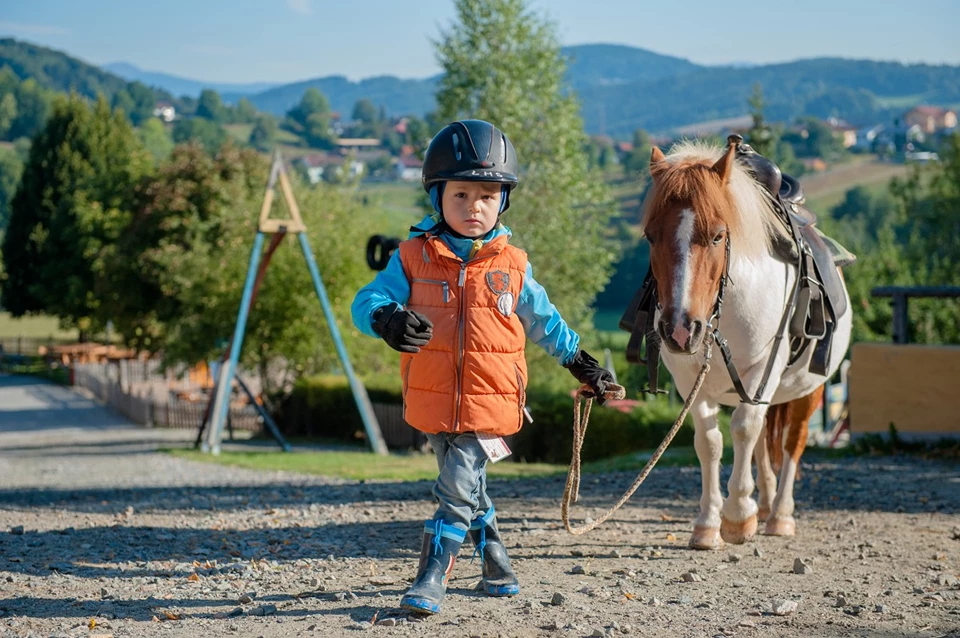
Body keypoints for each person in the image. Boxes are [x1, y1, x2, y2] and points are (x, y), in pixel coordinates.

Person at [351, 119, 614, 614]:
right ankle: (495, 559)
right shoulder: (411, 257)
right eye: (461, 195)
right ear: (438, 197)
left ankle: (432, 573)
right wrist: (386, 318)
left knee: (455, 486)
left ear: (503, 201)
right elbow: (368, 299)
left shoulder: (513, 264)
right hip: (432, 397)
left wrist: (583, 364)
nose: (475, 207)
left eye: (488, 196)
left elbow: (545, 321)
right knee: (468, 484)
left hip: (493, 401)